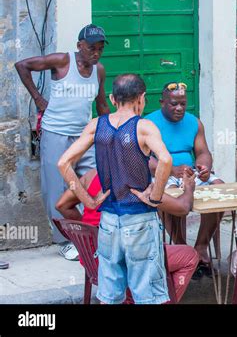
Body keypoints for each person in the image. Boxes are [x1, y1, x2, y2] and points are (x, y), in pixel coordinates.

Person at [58, 73, 173, 304]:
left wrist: (88, 201)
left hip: (108, 222)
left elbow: (63, 163)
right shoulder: (143, 127)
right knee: (147, 295)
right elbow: (166, 160)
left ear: (112, 99)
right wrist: (156, 196)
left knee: (109, 296)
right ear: (142, 98)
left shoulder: (96, 125)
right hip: (139, 220)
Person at [15, 24, 110, 260]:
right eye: (90, 48)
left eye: (99, 49)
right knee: (56, 189)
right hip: (56, 134)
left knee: (94, 182)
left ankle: (93, 235)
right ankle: (65, 241)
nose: (95, 53)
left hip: (84, 136)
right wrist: (38, 99)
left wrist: (111, 130)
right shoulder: (62, 61)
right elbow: (22, 65)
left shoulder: (99, 70)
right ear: (79, 46)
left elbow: (100, 104)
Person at [55, 168, 199, 302]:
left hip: (93, 259)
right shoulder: (136, 183)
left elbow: (62, 205)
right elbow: (182, 207)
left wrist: (89, 234)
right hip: (124, 260)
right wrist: (188, 188)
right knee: (190, 256)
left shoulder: (91, 175)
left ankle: (134, 297)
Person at [146, 82, 224, 275]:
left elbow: (203, 151)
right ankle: (182, 247)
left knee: (220, 188)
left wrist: (204, 166)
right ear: (162, 102)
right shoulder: (148, 124)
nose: (179, 108)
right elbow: (144, 159)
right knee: (163, 196)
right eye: (173, 104)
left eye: (183, 103)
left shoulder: (194, 122)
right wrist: (170, 169)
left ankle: (201, 246)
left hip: (189, 172)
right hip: (162, 174)